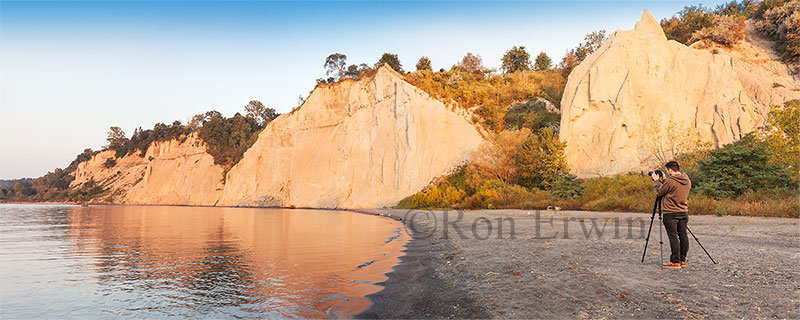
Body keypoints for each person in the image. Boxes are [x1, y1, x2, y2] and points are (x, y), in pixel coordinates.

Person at [650, 160, 691, 268]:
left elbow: (660, 192)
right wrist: (664, 179)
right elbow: (672, 189)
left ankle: (675, 261)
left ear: (670, 170)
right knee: (683, 235)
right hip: (683, 211)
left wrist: (656, 181)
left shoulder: (670, 181)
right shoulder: (686, 180)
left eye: (667, 170)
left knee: (673, 236)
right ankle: (682, 260)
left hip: (670, 213)